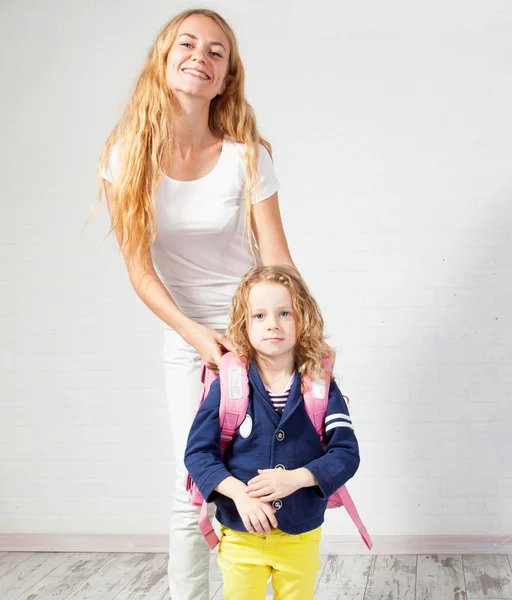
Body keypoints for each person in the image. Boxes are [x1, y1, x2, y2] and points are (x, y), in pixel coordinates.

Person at [97, 8, 297, 600]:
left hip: (258, 334)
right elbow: (140, 271)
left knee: (266, 475)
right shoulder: (125, 156)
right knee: (195, 481)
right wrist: (195, 335)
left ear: (226, 76)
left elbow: (279, 261)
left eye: (217, 52)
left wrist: (294, 333)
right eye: (188, 44)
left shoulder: (245, 156)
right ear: (164, 58)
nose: (200, 58)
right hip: (187, 336)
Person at [184, 265, 360, 600]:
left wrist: (296, 478)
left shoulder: (320, 387)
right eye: (260, 315)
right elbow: (197, 453)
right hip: (240, 533)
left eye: (284, 313)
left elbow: (346, 454)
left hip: (300, 534)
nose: (273, 324)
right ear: (244, 325)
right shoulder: (229, 386)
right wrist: (237, 493)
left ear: (303, 319)